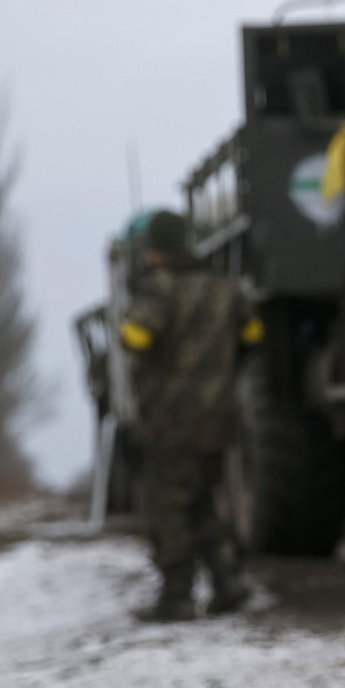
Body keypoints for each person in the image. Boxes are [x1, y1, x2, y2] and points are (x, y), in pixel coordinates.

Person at [119, 210, 260, 622]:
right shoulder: (224, 288)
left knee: (170, 508)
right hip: (219, 417)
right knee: (202, 503)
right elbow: (253, 335)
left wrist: (136, 302)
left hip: (170, 420)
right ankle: (226, 581)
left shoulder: (159, 290)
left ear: (156, 250)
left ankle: (177, 595)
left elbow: (137, 338)